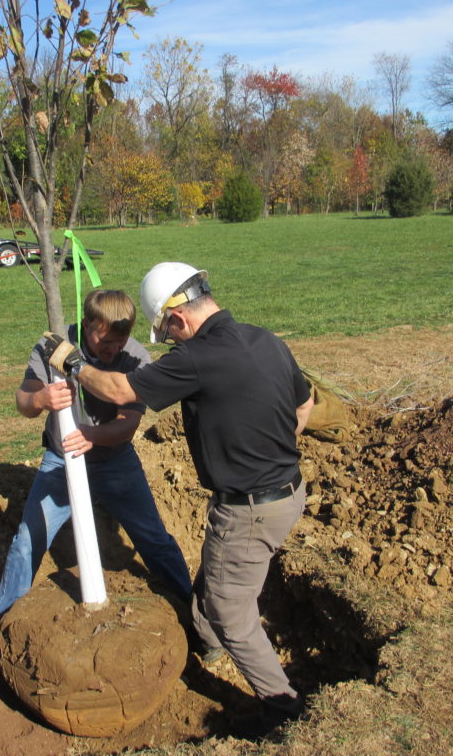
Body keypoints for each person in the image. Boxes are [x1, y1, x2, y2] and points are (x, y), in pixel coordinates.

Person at [45, 263, 314, 736]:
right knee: (214, 577)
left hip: (248, 509)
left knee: (232, 614)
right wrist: (274, 444)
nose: (170, 344)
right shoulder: (264, 338)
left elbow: (119, 388)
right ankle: (203, 641)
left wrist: (71, 361)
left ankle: (283, 705)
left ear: (177, 318)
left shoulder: (197, 356)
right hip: (288, 491)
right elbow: (305, 399)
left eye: (167, 334)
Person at [0, 288, 193, 660]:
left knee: (154, 538)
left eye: (119, 340)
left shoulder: (135, 357)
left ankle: (194, 615)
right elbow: (23, 399)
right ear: (87, 323)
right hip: (61, 462)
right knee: (28, 541)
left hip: (115, 460)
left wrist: (91, 436)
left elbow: (127, 426)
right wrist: (40, 400)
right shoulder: (56, 346)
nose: (111, 348)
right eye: (102, 339)